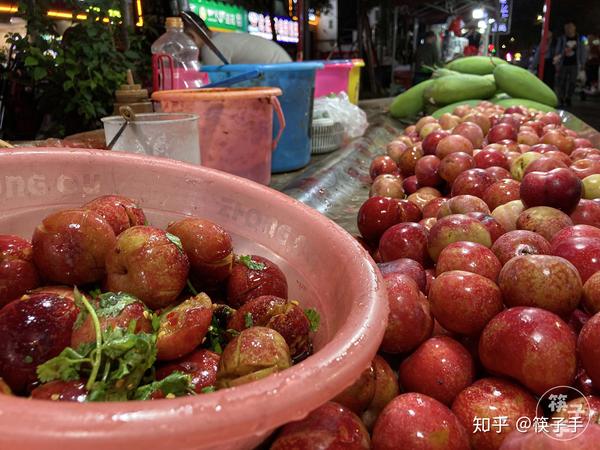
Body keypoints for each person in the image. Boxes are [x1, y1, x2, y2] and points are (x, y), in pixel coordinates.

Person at [185, 17, 292, 66]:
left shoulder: (212, 47)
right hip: (285, 71)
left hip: (279, 75)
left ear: (191, 36)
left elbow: (216, 83)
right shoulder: (220, 39)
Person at [554, 21, 587, 107]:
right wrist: (557, 61)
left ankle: (568, 98)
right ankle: (561, 98)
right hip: (563, 63)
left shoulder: (579, 39)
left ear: (574, 28)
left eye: (570, 28)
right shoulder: (562, 39)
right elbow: (558, 51)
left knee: (572, 82)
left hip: (575, 64)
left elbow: (583, 51)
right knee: (562, 81)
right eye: (567, 28)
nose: (569, 30)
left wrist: (583, 63)